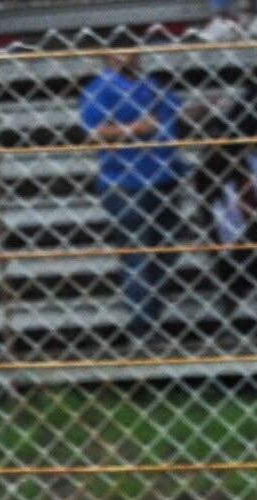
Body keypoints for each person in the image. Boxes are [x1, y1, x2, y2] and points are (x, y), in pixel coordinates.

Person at [80, 47, 185, 339]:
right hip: (125, 181)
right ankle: (143, 325)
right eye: (123, 51)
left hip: (164, 175)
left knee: (166, 249)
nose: (132, 56)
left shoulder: (150, 85)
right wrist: (135, 129)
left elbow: (175, 112)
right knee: (137, 252)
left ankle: (152, 312)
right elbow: (94, 132)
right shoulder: (100, 88)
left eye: (134, 51)